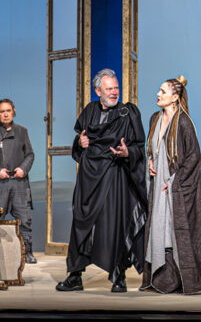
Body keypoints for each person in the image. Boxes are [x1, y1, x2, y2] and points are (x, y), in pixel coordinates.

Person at [56, 69, 147, 293]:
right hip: (88, 178)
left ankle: (119, 276)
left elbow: (139, 147)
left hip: (114, 176)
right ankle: (75, 275)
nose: (114, 92)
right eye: (109, 89)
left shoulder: (128, 113)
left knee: (114, 224)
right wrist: (80, 143)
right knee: (81, 224)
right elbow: (79, 143)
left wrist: (128, 153)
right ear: (98, 91)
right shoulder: (89, 111)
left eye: (116, 88)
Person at [141, 76, 201, 293]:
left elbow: (193, 157)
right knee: (158, 229)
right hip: (158, 184)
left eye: (163, 91)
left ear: (175, 98)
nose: (158, 94)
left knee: (172, 230)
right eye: (159, 90)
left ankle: (176, 280)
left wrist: (174, 182)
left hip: (173, 187)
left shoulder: (183, 122)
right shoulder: (155, 118)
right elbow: (153, 147)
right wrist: (151, 160)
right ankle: (158, 279)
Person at [0, 98, 37, 264]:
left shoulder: (22, 131)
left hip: (20, 183)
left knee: (24, 220)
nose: (5, 114)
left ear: (13, 112)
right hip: (0, 184)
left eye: (8, 111)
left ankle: (27, 253)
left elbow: (30, 154)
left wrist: (23, 169)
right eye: (2, 111)